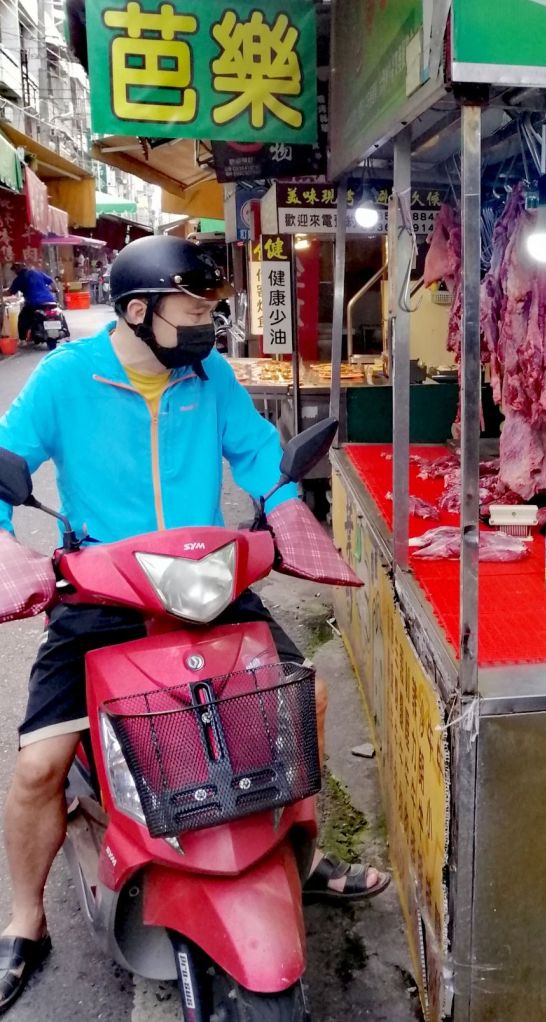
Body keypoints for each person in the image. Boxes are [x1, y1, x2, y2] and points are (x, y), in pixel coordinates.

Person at [0, 236, 388, 1013]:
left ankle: (299, 855)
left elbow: (259, 455)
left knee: (301, 702)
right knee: (39, 766)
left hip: (205, 583)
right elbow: (5, 462)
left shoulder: (210, 377)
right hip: (102, 593)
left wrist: (287, 510)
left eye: (211, 308)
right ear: (137, 311)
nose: (207, 324)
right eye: (192, 309)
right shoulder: (66, 378)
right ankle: (24, 917)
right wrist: (7, 545)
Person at [5, 262, 57, 342]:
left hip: (34, 303)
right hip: (50, 300)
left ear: (17, 270)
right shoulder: (37, 273)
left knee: (23, 318)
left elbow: (10, 292)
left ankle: (23, 339)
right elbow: (51, 281)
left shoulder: (20, 278)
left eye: (15, 270)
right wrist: (55, 289)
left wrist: (2, 293)